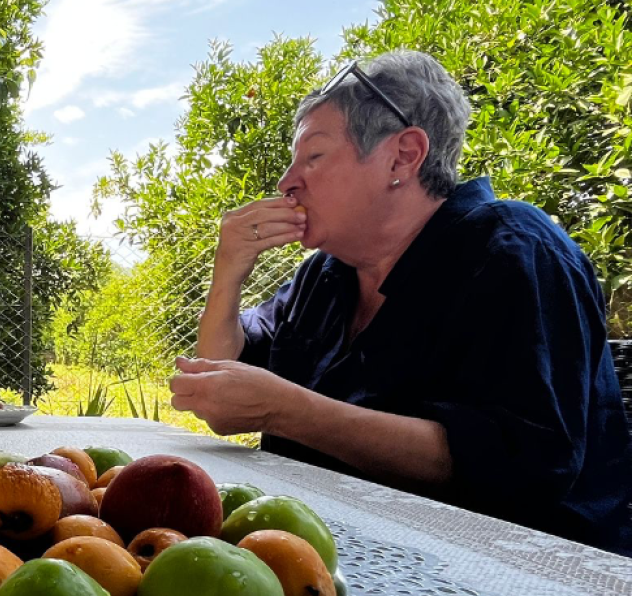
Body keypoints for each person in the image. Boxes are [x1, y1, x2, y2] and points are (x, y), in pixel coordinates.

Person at [172, 50, 632, 554]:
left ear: (403, 156)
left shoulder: (513, 250)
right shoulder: (326, 276)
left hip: (521, 573)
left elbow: (525, 464)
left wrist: (288, 411)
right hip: (345, 550)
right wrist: (228, 270)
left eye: (314, 157)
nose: (287, 182)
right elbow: (217, 382)